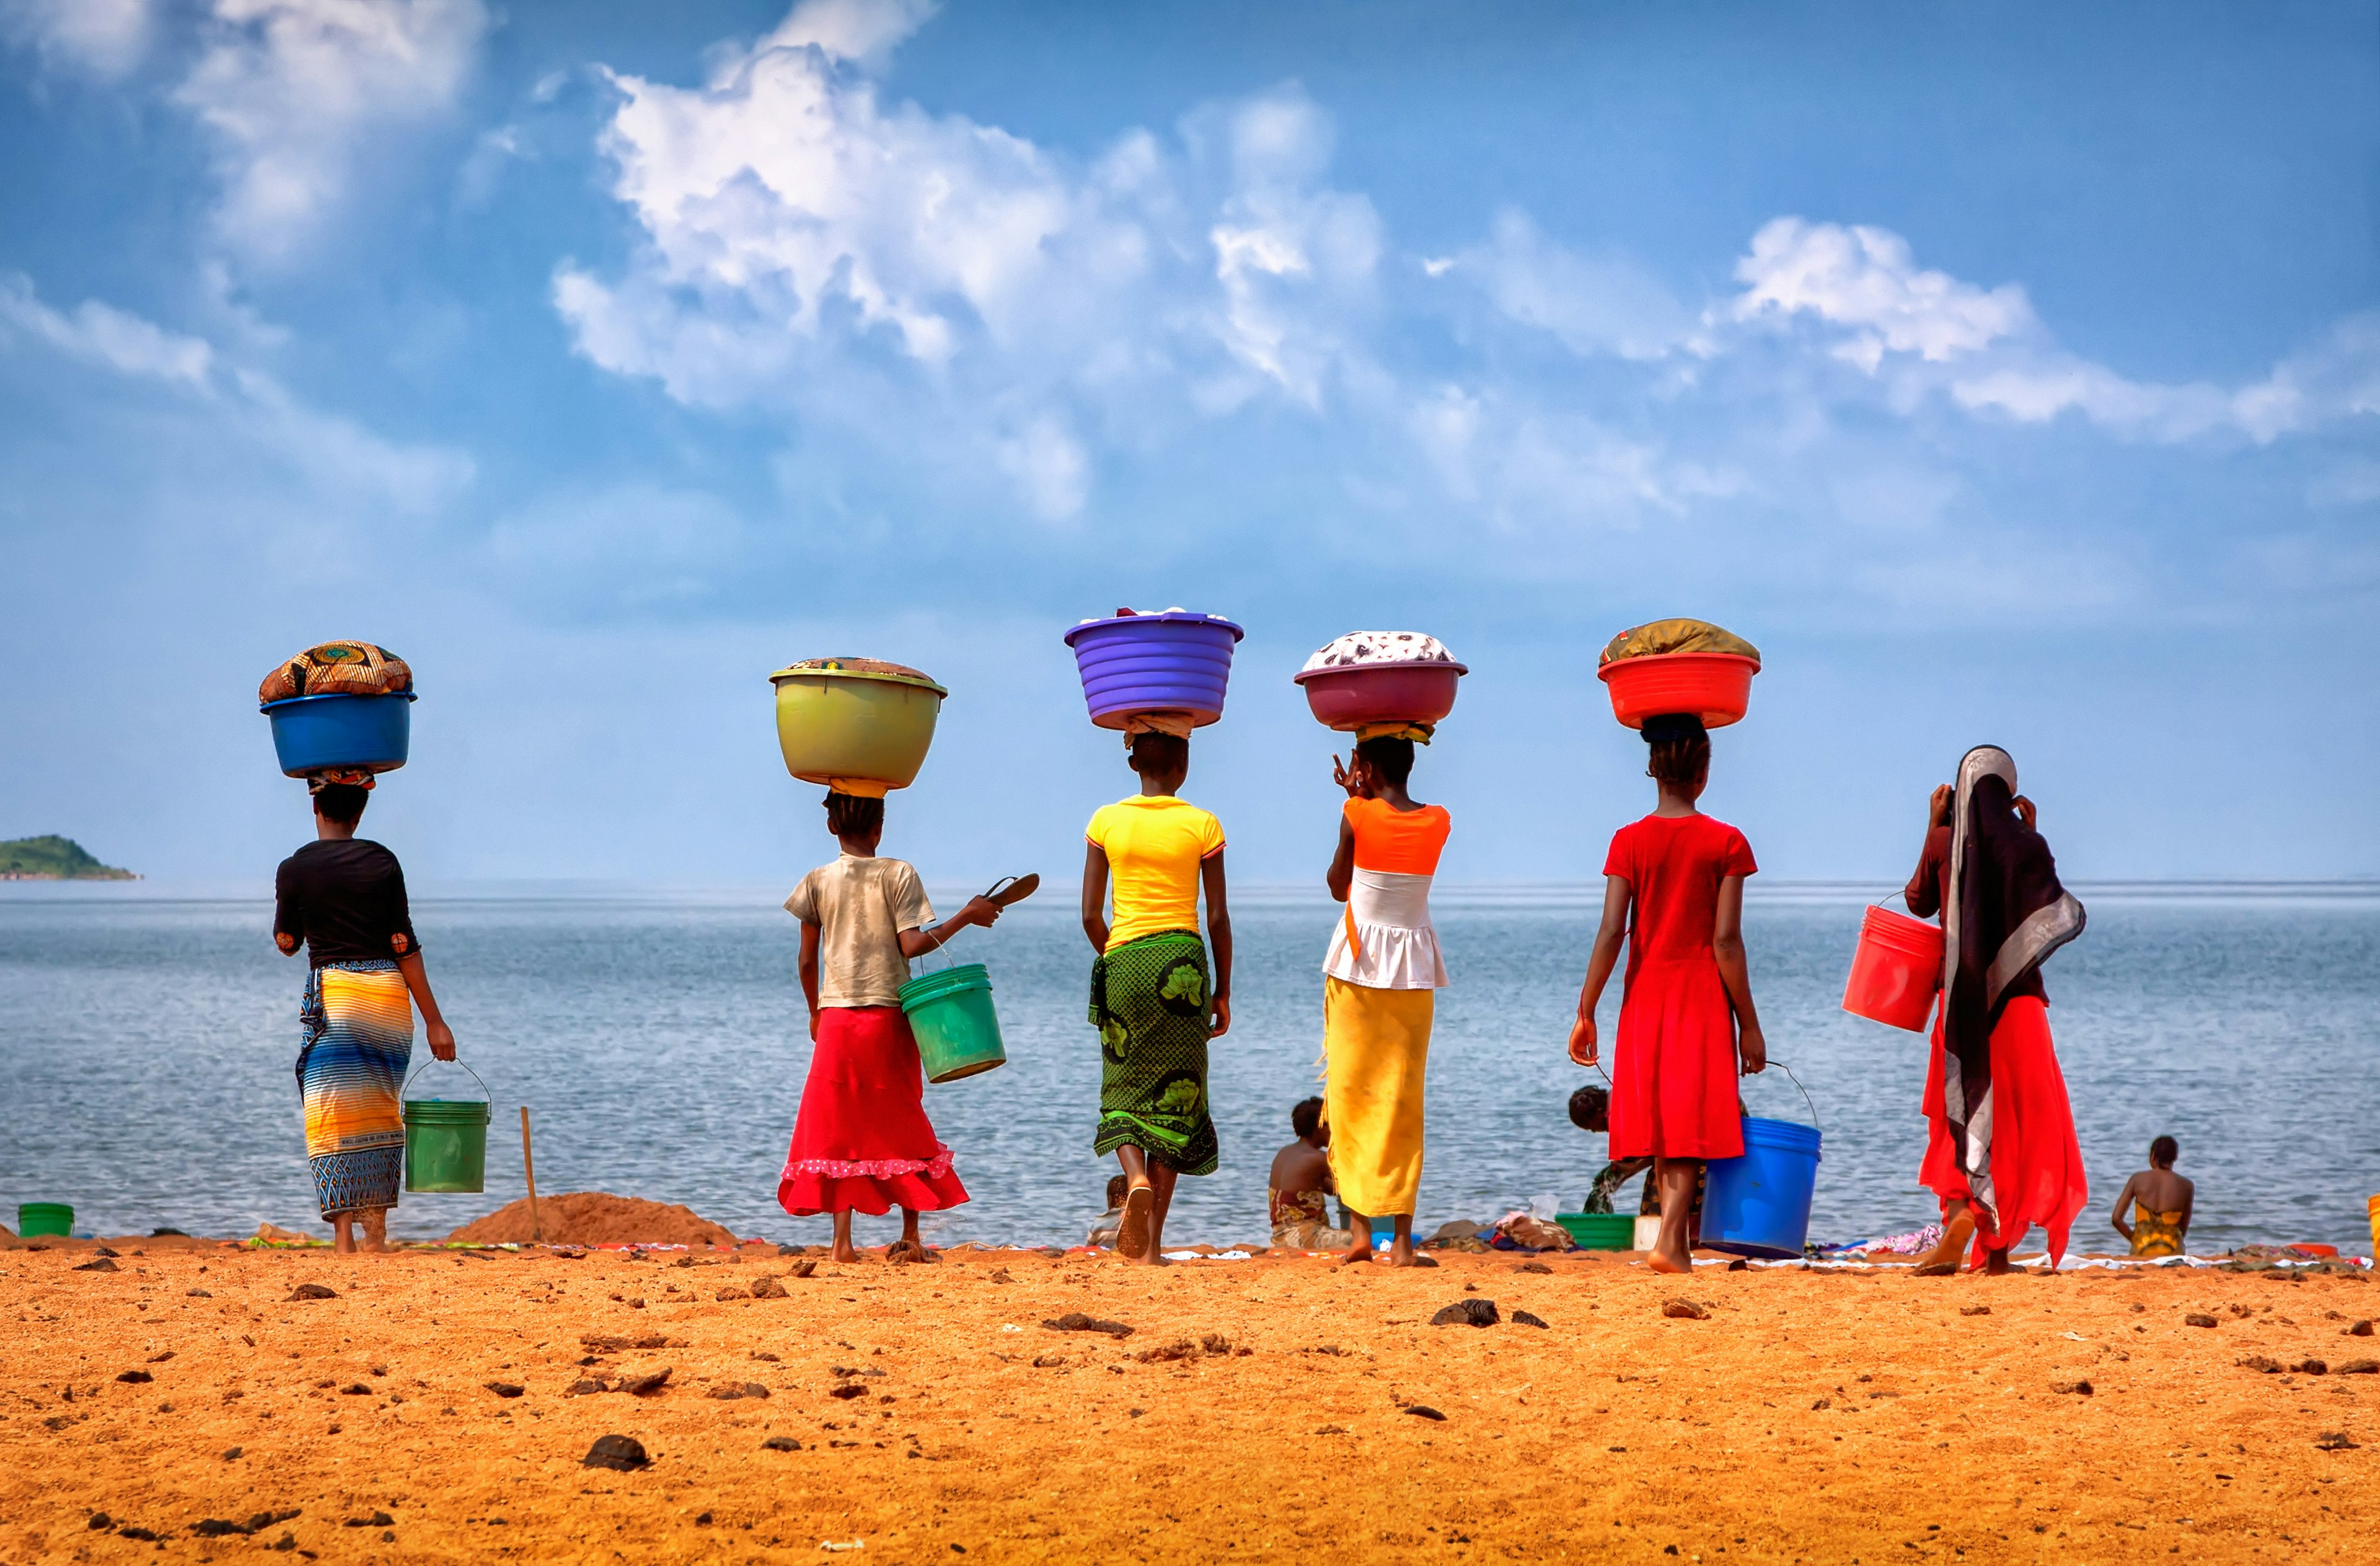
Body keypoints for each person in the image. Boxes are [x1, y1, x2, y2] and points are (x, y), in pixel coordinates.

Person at [1567, 713, 1767, 1274]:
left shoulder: (1628, 841)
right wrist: (1749, 1022)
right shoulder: (1727, 842)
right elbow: (1726, 940)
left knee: (1663, 1122)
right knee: (1688, 1122)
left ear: (1652, 769)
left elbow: (1611, 931)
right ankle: (1670, 1242)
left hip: (1645, 996)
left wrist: (1586, 1010)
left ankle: (1673, 1244)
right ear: (1703, 772)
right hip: (1700, 995)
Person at [778, 790, 1002, 1263]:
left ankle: (842, 1243)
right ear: (880, 827)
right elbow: (912, 945)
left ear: (831, 827)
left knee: (840, 1128)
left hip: (837, 1018)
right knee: (902, 1117)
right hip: (889, 1018)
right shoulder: (899, 874)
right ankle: (912, 1237)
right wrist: (967, 915)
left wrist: (814, 1013)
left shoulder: (816, 882)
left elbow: (804, 962)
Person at [1905, 746, 2089, 1277]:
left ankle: (1962, 1217)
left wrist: (1932, 825)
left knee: (1963, 1108)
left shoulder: (1945, 841)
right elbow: (2046, 907)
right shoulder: (2028, 845)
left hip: (1963, 1007)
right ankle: (2000, 1251)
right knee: (2015, 1122)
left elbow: (1919, 901)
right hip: (2022, 1007)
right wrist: (2031, 832)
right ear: (2008, 794)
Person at [272, 774, 455, 1256]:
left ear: (317, 809)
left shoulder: (294, 869)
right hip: (388, 1005)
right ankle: (377, 1234)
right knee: (378, 1111)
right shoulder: (383, 861)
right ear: (359, 813)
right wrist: (436, 1020)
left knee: (333, 1117)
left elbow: (287, 944)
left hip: (340, 998)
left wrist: (294, 915)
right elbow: (403, 945)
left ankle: (344, 1239)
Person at [1082, 724, 1233, 1264]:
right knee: (1177, 1097)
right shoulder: (1202, 823)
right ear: (1184, 767)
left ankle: (1135, 1175)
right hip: (1182, 963)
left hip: (1124, 959)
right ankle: (1151, 1250)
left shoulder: (1106, 821)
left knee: (1122, 1086)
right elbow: (1216, 917)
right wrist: (1222, 991)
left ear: (1132, 765)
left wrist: (1119, 958)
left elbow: (1089, 915)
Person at [1320, 731, 1451, 1266]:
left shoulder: (1357, 812)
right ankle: (1400, 1243)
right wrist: (1364, 792)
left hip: (1356, 970)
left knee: (1351, 1097)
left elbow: (1336, 883)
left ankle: (1357, 1234)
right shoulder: (1440, 819)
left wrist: (1355, 799)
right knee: (1401, 1101)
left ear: (1368, 769)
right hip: (1413, 975)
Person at [1269, 1096, 1351, 1250]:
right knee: (1358, 1239)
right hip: (1304, 1237)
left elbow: (1331, 1189)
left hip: (1279, 1238)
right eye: (1330, 1125)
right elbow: (1351, 1186)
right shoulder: (1318, 1158)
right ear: (1320, 1127)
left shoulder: (1284, 1153)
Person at [2110, 1136, 2192, 1258]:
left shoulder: (2137, 1179)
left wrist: (2134, 1239)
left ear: (2153, 1156)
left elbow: (2116, 1218)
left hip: (2142, 1248)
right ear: (2175, 1158)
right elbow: (2183, 1229)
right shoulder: (2187, 1185)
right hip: (2173, 1251)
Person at [1087, 1174, 1130, 1249]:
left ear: (1110, 1199)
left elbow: (1088, 1248)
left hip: (1103, 1251)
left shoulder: (1099, 1222)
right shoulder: (1138, 1220)